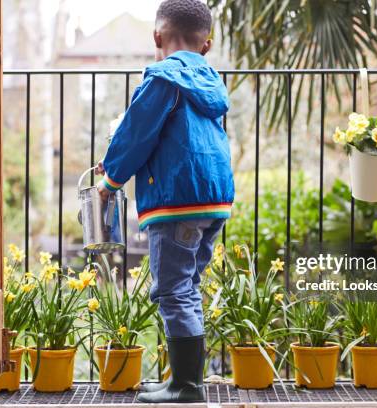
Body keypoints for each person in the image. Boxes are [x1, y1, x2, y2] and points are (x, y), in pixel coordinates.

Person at [95, 0, 233, 403]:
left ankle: (186, 387)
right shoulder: (211, 80)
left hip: (177, 202)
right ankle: (185, 380)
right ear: (206, 45)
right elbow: (178, 138)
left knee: (173, 291)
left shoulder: (162, 78)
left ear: (157, 37)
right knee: (187, 287)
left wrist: (109, 181)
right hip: (213, 201)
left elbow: (136, 135)